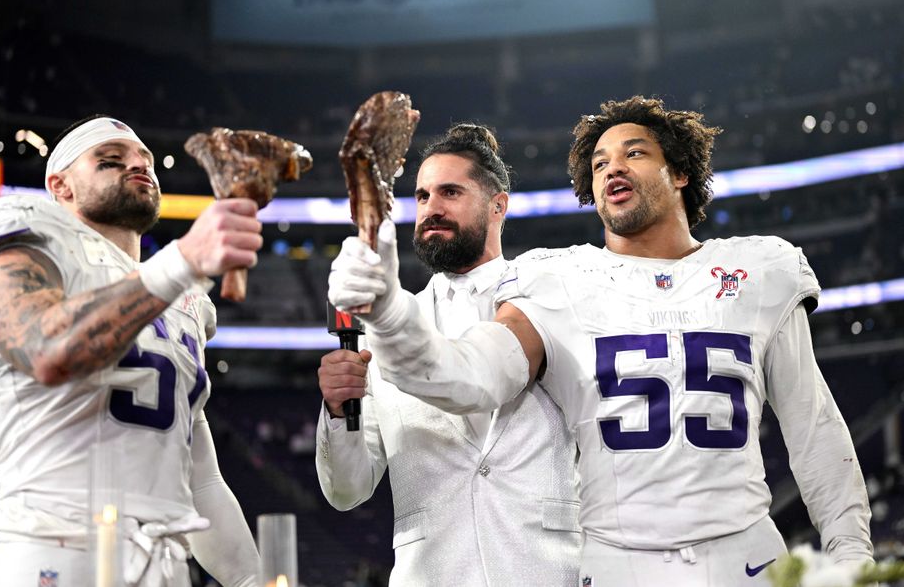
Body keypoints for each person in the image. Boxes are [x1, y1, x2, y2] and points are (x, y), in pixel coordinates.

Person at [328, 97, 874, 586]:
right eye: (599, 163)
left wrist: (852, 553)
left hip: (743, 555)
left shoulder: (760, 269)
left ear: (679, 171)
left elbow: (814, 429)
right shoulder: (559, 280)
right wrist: (390, 310)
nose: (613, 165)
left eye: (634, 153)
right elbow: (468, 378)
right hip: (615, 564)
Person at [0, 115, 262, 587]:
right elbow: (46, 348)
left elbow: (200, 480)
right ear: (60, 186)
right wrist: (180, 262)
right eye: (110, 161)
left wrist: (250, 581)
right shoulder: (25, 232)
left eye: (145, 161)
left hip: (160, 563)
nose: (138, 167)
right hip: (52, 548)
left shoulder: (186, 300)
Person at [316, 124, 581, 586]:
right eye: (421, 196)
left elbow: (473, 382)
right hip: (432, 572)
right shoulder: (378, 333)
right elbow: (347, 490)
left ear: (498, 204)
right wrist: (338, 410)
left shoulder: (550, 294)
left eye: (450, 192)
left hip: (548, 569)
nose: (431, 209)